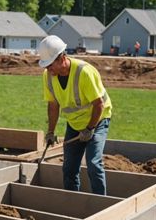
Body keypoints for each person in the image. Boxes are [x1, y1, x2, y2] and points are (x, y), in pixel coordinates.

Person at [39, 35, 113, 195]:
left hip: (98, 119)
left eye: (50, 65)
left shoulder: (84, 72)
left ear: (62, 58)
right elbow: (53, 105)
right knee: (69, 167)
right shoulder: (48, 77)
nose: (48, 70)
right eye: (46, 66)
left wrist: (90, 129)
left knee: (93, 163)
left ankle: (101, 204)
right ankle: (72, 202)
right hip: (75, 123)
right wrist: (51, 132)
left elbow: (98, 104)